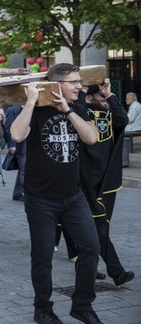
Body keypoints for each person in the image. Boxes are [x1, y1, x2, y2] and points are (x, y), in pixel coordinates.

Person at [10, 63, 101, 324]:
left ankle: (82, 305)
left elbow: (91, 137)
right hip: (40, 199)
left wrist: (68, 111)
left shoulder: (78, 108)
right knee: (43, 257)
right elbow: (16, 135)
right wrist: (30, 101)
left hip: (73, 196)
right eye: (74, 82)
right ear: (57, 84)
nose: (79, 86)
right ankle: (43, 309)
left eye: (79, 82)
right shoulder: (36, 111)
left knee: (91, 248)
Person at [75, 81, 134, 286]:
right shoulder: (80, 114)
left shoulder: (108, 116)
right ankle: (116, 272)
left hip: (105, 181)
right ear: (89, 98)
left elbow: (122, 119)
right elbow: (78, 108)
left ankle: (88, 269)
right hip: (85, 181)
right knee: (97, 227)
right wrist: (83, 93)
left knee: (97, 227)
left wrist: (109, 95)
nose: (105, 101)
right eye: (101, 98)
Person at [5, 104, 27, 201]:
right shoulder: (13, 110)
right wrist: (11, 144)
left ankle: (17, 193)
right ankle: (27, 193)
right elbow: (9, 128)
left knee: (23, 170)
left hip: (30, 146)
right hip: (20, 146)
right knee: (24, 170)